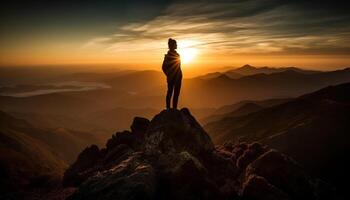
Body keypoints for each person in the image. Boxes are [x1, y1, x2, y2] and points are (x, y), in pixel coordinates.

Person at [162, 38, 182, 109]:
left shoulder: (169, 56)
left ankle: (170, 108)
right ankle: (173, 109)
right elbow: (164, 67)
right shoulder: (172, 56)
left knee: (171, 92)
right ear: (172, 45)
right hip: (175, 77)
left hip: (174, 77)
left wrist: (168, 74)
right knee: (174, 93)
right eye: (175, 44)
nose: (176, 45)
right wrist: (169, 74)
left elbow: (164, 68)